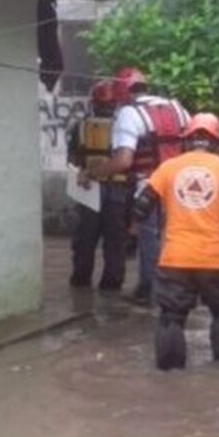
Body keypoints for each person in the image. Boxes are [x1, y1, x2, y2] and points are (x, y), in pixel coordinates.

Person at [132, 113, 219, 370]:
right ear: (217, 142)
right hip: (216, 259)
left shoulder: (168, 168)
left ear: (187, 140)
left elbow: (141, 206)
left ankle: (170, 375)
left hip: (175, 258)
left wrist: (132, 232)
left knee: (171, 319)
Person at [82, 67, 190, 304]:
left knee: (149, 239)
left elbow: (123, 161)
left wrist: (92, 173)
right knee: (178, 238)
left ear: (123, 93)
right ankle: (181, 288)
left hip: (149, 190)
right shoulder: (177, 107)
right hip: (182, 188)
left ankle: (149, 289)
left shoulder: (130, 114)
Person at [66, 80, 128, 291]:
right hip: (118, 189)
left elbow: (73, 160)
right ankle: (112, 283)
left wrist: (83, 174)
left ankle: (80, 280)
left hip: (88, 189)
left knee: (85, 239)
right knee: (115, 240)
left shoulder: (81, 127)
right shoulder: (124, 126)